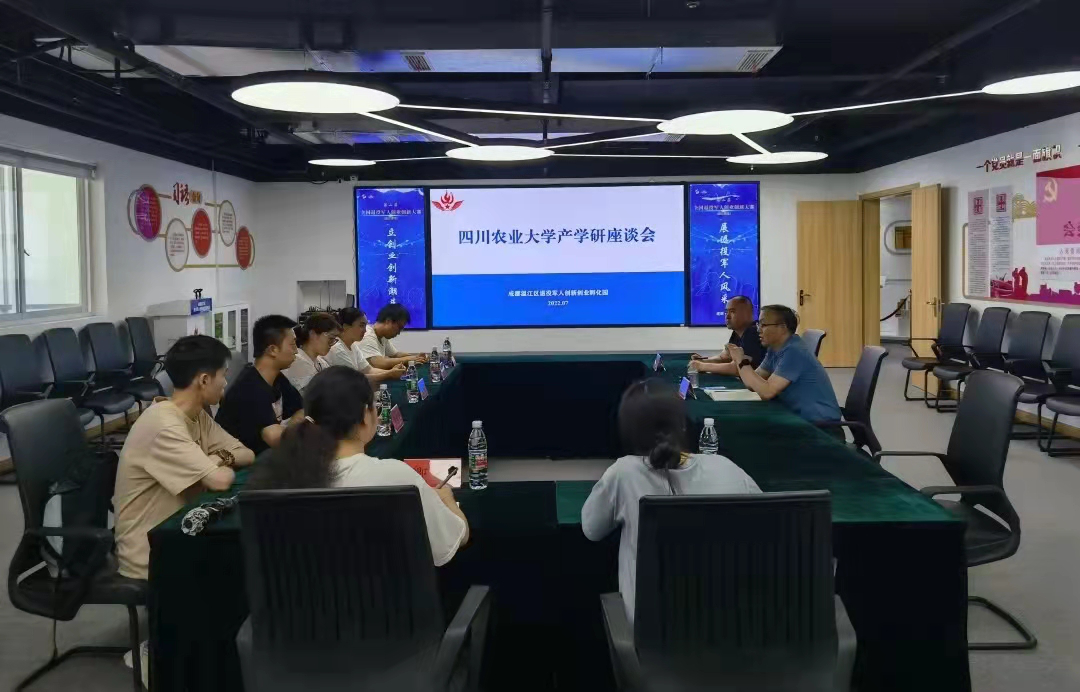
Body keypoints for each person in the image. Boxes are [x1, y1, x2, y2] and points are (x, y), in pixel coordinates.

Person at [247, 366, 468, 566]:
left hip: (302, 599)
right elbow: (453, 540)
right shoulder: (395, 477)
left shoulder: (275, 476)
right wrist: (446, 498)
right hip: (384, 598)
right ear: (365, 415)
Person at [581, 380, 760, 623]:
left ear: (630, 434)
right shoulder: (726, 467)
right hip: (729, 630)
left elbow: (591, 529)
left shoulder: (623, 474)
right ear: (683, 425)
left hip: (652, 636)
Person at [113, 335, 254, 580]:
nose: (225, 382)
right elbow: (219, 481)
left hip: (183, 535)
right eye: (223, 374)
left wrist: (218, 457)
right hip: (151, 557)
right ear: (204, 380)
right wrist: (218, 465)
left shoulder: (196, 416)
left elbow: (247, 454)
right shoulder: (164, 425)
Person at [730, 304, 842, 423]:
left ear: (782, 327)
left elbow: (767, 392)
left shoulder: (794, 351)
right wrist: (740, 360)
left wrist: (741, 361)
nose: (758, 329)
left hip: (819, 425)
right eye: (758, 324)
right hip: (796, 418)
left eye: (763, 325)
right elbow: (753, 382)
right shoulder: (774, 348)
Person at [216, 314, 305, 455]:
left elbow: (302, 410)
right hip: (243, 463)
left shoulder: (276, 378)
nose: (296, 351)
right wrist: (296, 425)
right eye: (293, 344)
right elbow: (276, 438)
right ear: (272, 350)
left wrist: (291, 426)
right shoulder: (249, 389)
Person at [324, 307, 405, 383]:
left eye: (365, 326)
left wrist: (392, 371)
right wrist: (389, 374)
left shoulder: (353, 346)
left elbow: (369, 370)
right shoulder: (337, 349)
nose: (365, 330)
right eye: (361, 325)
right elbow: (355, 379)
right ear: (346, 327)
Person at [690, 296, 765, 375]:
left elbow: (738, 368)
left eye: (732, 312)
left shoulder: (754, 333)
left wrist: (702, 366)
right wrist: (702, 361)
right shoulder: (737, 333)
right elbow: (724, 357)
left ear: (748, 313)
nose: (727, 316)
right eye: (726, 312)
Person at [358, 303, 429, 370]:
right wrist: (409, 359)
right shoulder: (367, 335)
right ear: (388, 321)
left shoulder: (381, 336)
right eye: (399, 328)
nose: (399, 333)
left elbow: (396, 354)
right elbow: (379, 363)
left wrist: (416, 357)